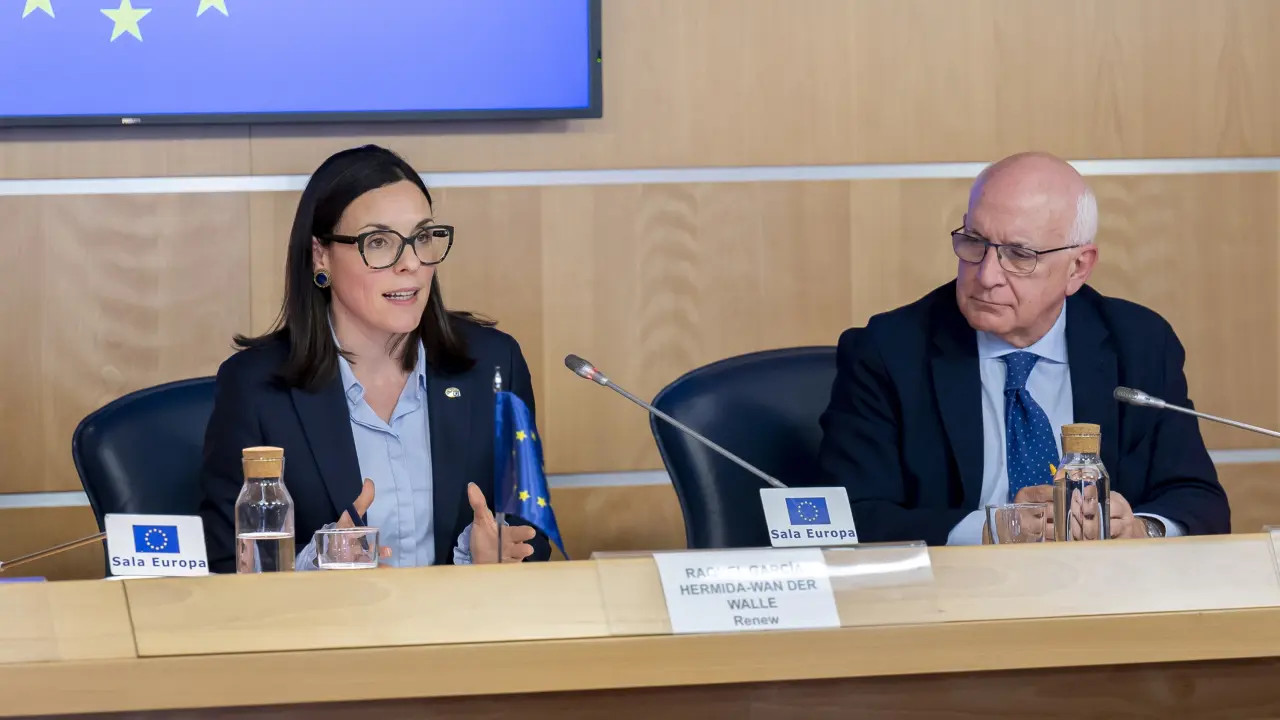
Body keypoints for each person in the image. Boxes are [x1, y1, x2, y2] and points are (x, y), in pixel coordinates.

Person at [818, 151, 1230, 545]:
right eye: (974, 242)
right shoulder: (890, 350)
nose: (986, 276)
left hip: (1101, 584)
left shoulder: (1139, 343)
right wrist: (991, 529)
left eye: (1019, 255)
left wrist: (1144, 529)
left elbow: (1199, 500)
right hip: (959, 585)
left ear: (1078, 267)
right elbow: (850, 516)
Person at [198, 145, 552, 573]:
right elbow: (225, 564)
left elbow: (534, 533)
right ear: (321, 255)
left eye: (422, 237)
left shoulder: (494, 364)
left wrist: (487, 553)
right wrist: (320, 564)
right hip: (330, 618)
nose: (411, 264)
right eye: (379, 242)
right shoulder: (256, 388)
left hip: (465, 613)